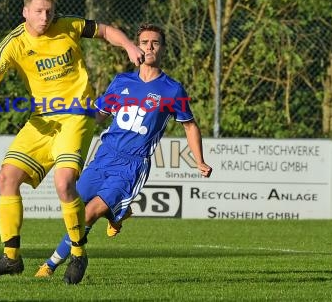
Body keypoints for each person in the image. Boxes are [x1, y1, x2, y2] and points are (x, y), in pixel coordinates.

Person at [0, 0, 145, 284]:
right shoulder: (12, 43)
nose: (45, 17)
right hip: (41, 120)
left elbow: (105, 31)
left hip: (76, 116)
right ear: (25, 12)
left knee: (64, 181)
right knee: (6, 177)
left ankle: (78, 253)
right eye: (39, 11)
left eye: (49, 11)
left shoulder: (68, 26)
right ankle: (11, 258)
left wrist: (130, 46)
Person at [35, 23, 213, 279]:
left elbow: (189, 125)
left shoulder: (172, 90)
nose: (149, 47)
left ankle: (49, 265)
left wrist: (199, 160)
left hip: (131, 165)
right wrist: (70, 118)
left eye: (155, 42)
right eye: (144, 42)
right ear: (137, 47)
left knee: (87, 215)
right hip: (103, 156)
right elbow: (98, 115)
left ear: (162, 48)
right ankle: (116, 214)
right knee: (73, 210)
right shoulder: (121, 82)